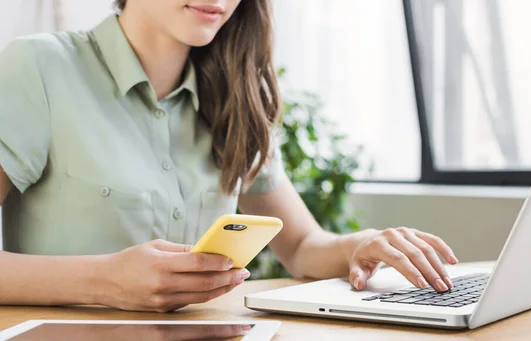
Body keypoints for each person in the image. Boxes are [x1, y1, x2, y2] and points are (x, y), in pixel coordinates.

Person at [0, 0, 458, 312]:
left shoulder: (234, 96)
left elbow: (299, 246)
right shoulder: (39, 69)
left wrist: (358, 244)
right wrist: (106, 280)